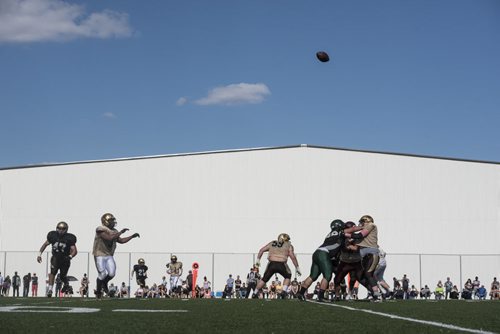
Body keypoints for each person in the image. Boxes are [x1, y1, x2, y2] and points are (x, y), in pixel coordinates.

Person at [298, 219, 361, 302]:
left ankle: (301, 293)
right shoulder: (339, 231)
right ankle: (321, 296)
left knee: (312, 276)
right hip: (324, 253)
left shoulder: (331, 234)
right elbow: (352, 230)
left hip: (317, 252)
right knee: (327, 276)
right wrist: (364, 227)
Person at [93, 213, 140, 298]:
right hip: (99, 254)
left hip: (109, 255)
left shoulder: (115, 231)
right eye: (111, 220)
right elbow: (109, 238)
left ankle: (104, 283)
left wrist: (132, 236)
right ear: (105, 221)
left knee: (111, 273)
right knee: (102, 274)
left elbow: (121, 240)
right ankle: (98, 292)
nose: (113, 222)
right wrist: (121, 232)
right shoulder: (100, 229)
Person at [252, 233, 301, 299]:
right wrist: (297, 267)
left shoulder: (272, 243)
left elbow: (261, 250)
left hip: (271, 264)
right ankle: (284, 291)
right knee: (288, 276)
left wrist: (257, 261)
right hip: (282, 264)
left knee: (264, 279)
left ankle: (254, 293)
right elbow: (292, 256)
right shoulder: (288, 245)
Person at [37, 221, 77, 297]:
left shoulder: (69, 238)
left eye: (63, 229)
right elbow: (45, 244)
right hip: (55, 258)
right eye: (59, 228)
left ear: (66, 229)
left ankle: (66, 284)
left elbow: (74, 250)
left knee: (62, 276)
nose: (60, 230)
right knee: (52, 273)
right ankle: (50, 290)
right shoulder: (53, 236)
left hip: (65, 259)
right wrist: (39, 254)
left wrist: (70, 257)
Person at [354, 215, 382, 300]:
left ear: (366, 221)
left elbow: (360, 235)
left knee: (368, 273)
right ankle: (374, 292)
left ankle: (377, 294)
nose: (360, 224)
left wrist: (346, 234)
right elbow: (355, 241)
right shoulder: (365, 229)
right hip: (363, 255)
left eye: (362, 222)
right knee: (358, 275)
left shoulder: (371, 225)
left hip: (371, 253)